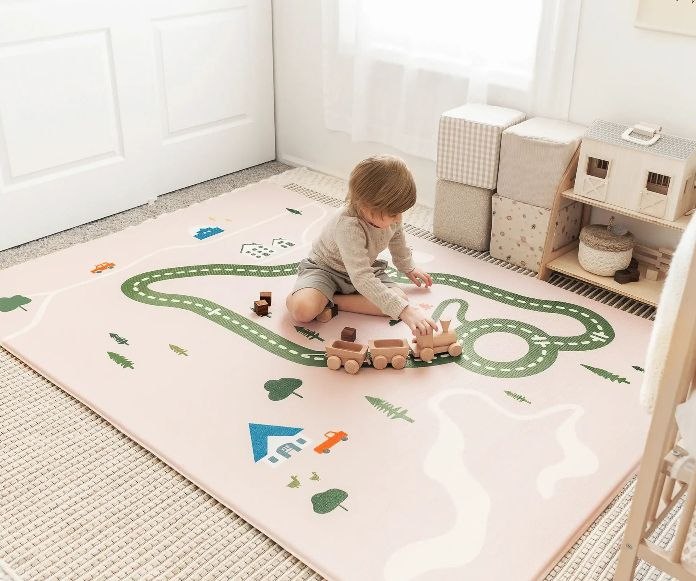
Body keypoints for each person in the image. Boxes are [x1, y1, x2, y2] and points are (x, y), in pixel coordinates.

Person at [286, 155, 437, 336]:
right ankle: (308, 295)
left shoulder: (391, 216)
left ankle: (333, 300)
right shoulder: (348, 225)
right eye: (393, 214)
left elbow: (397, 238)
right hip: (326, 270)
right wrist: (406, 311)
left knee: (399, 299)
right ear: (366, 206)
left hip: (362, 270)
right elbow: (362, 277)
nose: (398, 218)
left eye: (400, 212)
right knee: (303, 310)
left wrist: (407, 266)